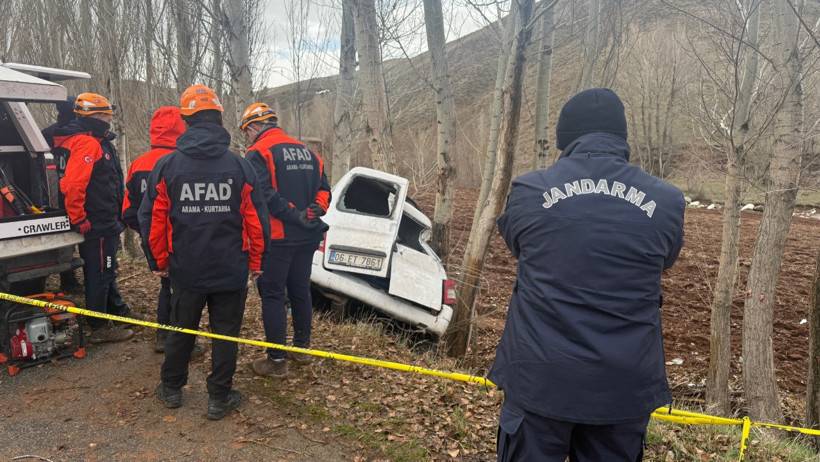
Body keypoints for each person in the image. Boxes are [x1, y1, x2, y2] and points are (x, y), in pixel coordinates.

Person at [488, 88, 686, 461]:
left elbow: (520, 247)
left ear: (565, 138)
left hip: (539, 377)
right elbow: (666, 259)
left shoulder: (529, 190)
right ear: (621, 137)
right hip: (621, 386)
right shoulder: (667, 200)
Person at [139, 85, 270, 421]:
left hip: (186, 270)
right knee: (226, 335)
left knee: (182, 330)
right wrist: (256, 262)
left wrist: (159, 262)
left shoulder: (168, 165)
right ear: (220, 119)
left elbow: (152, 219)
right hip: (230, 270)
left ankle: (171, 389)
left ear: (186, 121)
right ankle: (219, 397)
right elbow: (257, 221)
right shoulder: (239, 167)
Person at [240, 103, 330, 379]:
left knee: (273, 295)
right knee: (301, 290)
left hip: (278, 239)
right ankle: (301, 348)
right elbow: (325, 190)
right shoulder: (310, 153)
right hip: (308, 237)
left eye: (247, 132)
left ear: (254, 127)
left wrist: (294, 215)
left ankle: (276, 361)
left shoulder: (258, 152)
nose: (248, 138)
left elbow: (263, 195)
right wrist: (314, 211)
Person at [52, 93, 136, 343]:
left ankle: (117, 309)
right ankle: (99, 326)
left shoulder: (82, 140)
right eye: (105, 116)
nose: (108, 120)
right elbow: (74, 185)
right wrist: (79, 217)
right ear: (94, 116)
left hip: (102, 218)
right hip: (96, 220)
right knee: (100, 271)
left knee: (106, 268)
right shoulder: (86, 144)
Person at [123, 106, 199, 353]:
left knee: (167, 287)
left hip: (151, 239)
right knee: (184, 290)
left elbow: (128, 210)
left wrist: (145, 234)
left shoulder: (138, 164)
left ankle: (163, 337)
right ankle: (180, 340)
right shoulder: (185, 163)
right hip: (181, 239)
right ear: (183, 128)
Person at [41, 96, 84, 295]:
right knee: (72, 237)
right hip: (71, 193)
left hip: (52, 193)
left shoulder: (48, 133)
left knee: (62, 238)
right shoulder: (81, 136)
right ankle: (68, 279)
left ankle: (67, 279)